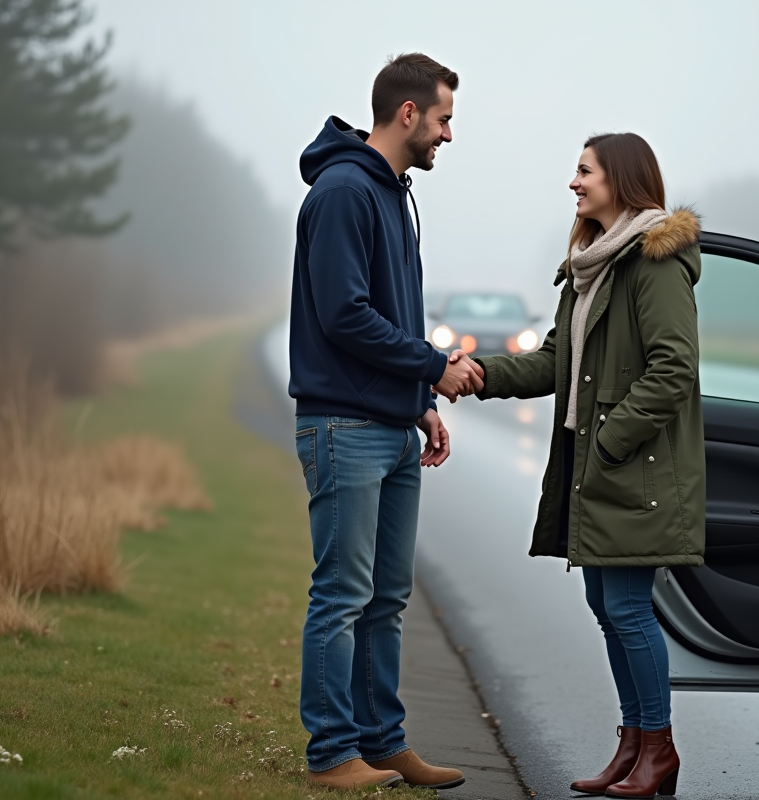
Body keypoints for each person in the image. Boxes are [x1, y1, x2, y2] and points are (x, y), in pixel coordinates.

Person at [449, 133, 705, 798]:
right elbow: (553, 360)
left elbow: (673, 367)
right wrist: (481, 375)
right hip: (602, 467)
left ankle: (660, 750)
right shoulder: (591, 266)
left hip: (634, 469)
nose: (574, 182)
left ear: (619, 179)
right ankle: (632, 745)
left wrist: (613, 438)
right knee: (605, 602)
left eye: (584, 171)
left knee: (626, 606)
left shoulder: (654, 260)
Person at [289, 52, 482, 792]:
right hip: (343, 426)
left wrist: (422, 403)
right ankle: (333, 754)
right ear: (408, 114)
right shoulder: (344, 192)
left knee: (387, 599)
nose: (448, 136)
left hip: (392, 425)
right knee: (341, 594)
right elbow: (345, 316)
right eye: (444, 120)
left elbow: (390, 314)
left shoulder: (392, 193)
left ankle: (383, 741)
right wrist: (434, 365)